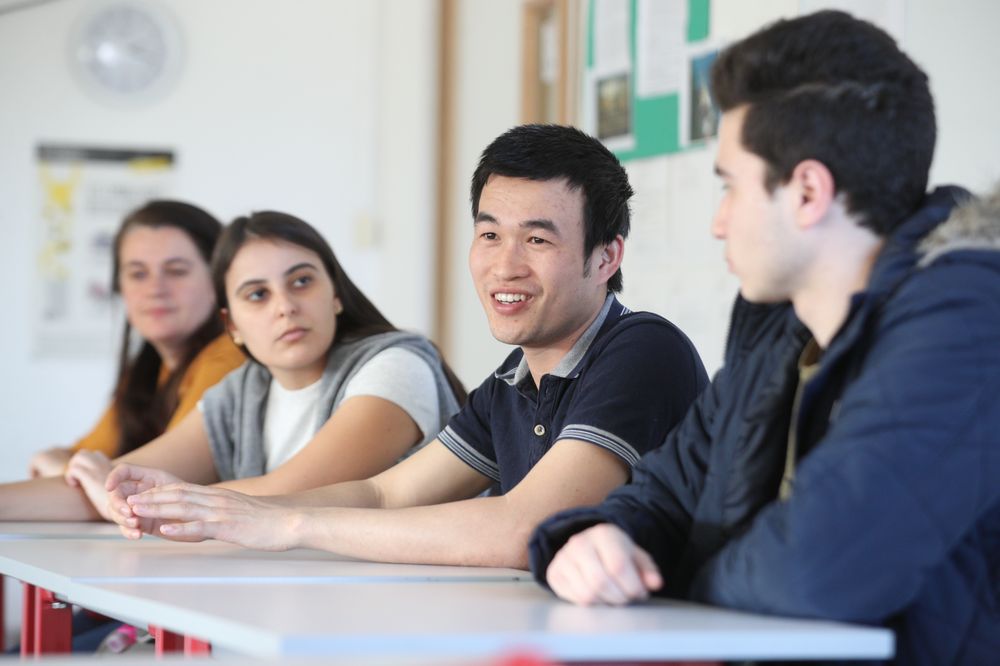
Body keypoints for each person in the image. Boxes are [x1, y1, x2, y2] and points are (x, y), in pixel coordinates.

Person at [530, 11, 1000, 665]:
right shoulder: (779, 332)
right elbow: (658, 497)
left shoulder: (968, 322)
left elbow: (820, 568)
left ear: (807, 192)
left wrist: (670, 582)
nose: (719, 223)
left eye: (730, 187)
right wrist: (593, 542)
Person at [104, 124, 709, 569]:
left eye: (537, 241)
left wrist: (290, 524)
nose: (505, 265)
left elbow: (525, 525)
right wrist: (209, 508)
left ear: (606, 257)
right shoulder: (511, 382)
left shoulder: (643, 350)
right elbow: (385, 492)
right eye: (489, 235)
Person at [60, 211, 465, 522]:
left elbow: (289, 491)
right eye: (257, 294)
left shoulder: (396, 366)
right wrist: (98, 481)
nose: (285, 306)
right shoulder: (241, 392)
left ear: (336, 294)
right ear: (232, 325)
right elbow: (113, 481)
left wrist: (132, 495)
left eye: (302, 281)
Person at [0, 200, 245, 520]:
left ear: (219, 281)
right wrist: (77, 472)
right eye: (138, 273)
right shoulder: (148, 370)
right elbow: (83, 458)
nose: (155, 289)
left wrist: (76, 474)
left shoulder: (227, 359)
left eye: (176, 271)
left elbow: (128, 488)